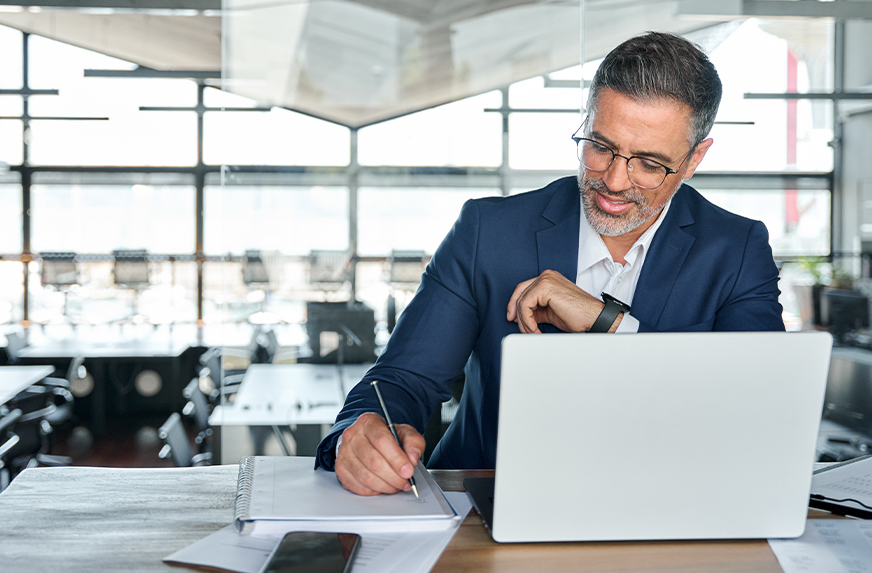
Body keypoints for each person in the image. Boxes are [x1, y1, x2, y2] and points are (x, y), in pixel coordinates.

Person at [316, 32, 784, 496]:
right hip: (482, 508)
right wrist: (358, 435)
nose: (615, 181)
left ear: (695, 157)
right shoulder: (488, 232)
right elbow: (402, 379)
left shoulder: (736, 250)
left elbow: (754, 413)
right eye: (600, 146)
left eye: (648, 163)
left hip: (664, 506)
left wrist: (608, 324)